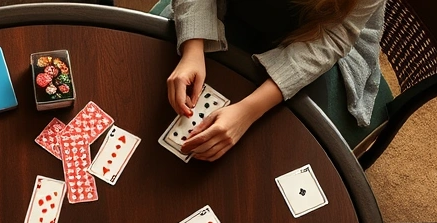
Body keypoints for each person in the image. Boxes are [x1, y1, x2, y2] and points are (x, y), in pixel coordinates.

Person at [165, 0, 386, 161]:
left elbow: (332, 38)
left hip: (306, 42)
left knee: (282, 154)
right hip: (227, 10)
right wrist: (192, 49)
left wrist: (248, 111)